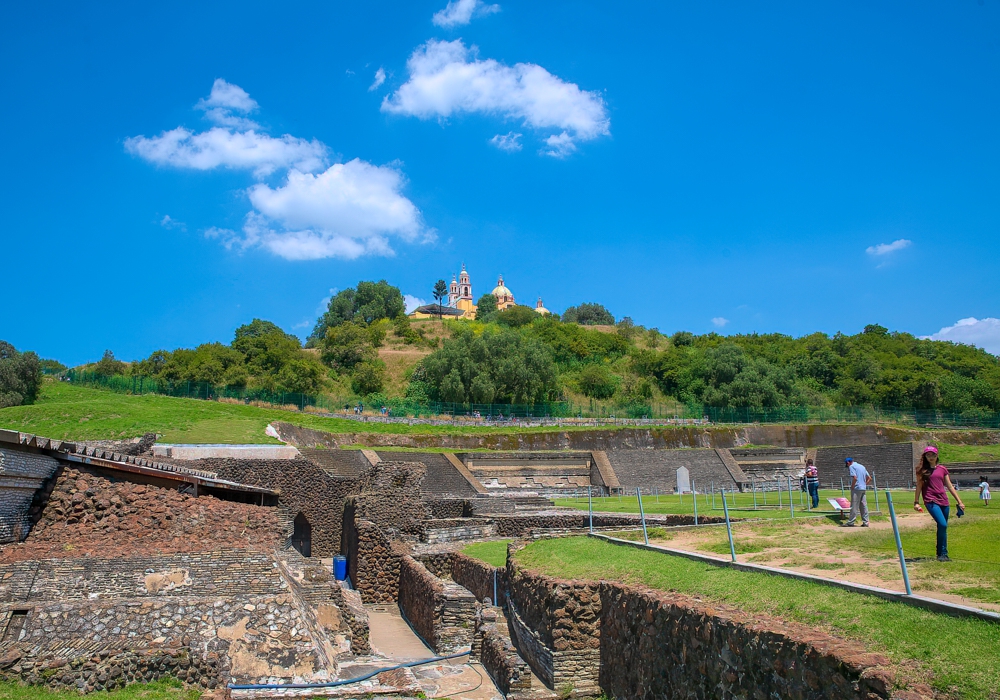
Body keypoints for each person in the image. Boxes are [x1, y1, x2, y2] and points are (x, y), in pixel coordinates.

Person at [914, 445, 966, 562]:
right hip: (931, 500)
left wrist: (960, 501)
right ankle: (942, 552)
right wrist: (916, 502)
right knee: (943, 524)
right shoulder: (921, 471)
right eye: (928, 455)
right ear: (925, 456)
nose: (931, 457)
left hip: (944, 501)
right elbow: (919, 486)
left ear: (937, 456)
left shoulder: (942, 469)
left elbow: (950, 486)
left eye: (933, 455)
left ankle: (942, 554)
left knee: (942, 527)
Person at [842, 457, 872, 527]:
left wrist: (852, 486)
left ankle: (851, 522)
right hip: (863, 488)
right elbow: (869, 478)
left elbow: (855, 478)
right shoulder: (862, 466)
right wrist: (864, 484)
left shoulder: (852, 467)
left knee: (854, 505)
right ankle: (866, 522)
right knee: (863, 505)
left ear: (848, 463)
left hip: (856, 488)